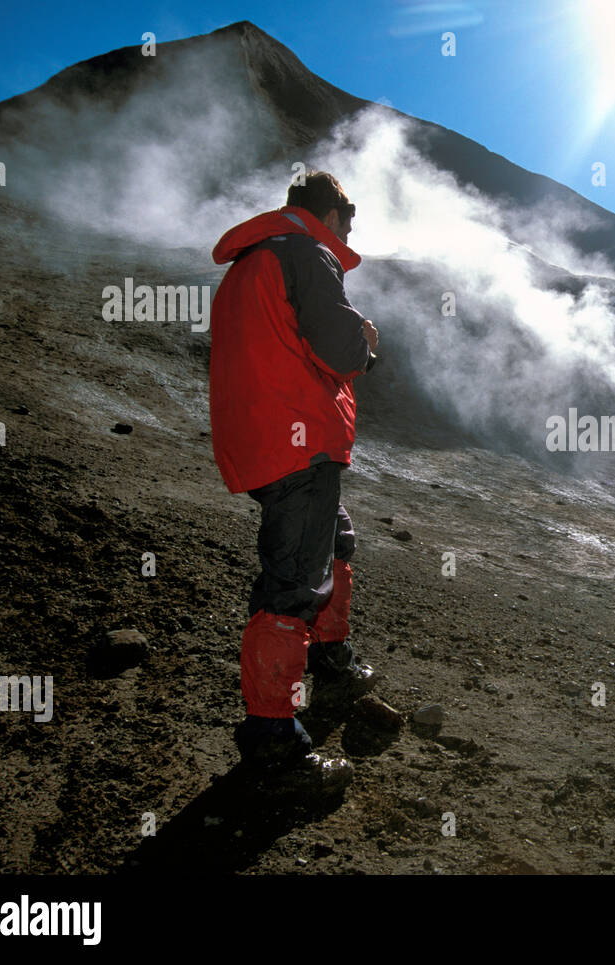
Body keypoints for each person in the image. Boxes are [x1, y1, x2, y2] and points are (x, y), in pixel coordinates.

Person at [208, 171, 379, 792]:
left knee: (334, 544)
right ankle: (272, 737)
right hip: (295, 438)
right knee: (292, 585)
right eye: (350, 210)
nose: (353, 224)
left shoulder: (252, 262)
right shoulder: (306, 253)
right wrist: (366, 344)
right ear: (327, 212)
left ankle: (330, 654)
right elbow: (338, 349)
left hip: (267, 439)